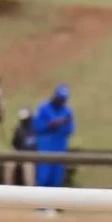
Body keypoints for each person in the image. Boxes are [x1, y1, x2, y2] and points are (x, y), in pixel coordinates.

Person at [32, 84, 74, 213]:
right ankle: (40, 204)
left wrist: (61, 124)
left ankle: (55, 204)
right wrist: (50, 125)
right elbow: (36, 126)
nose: (62, 101)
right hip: (45, 147)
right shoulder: (43, 108)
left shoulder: (67, 111)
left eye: (64, 99)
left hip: (60, 148)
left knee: (56, 178)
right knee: (43, 176)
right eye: (60, 98)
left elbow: (70, 129)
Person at [5, 108, 37, 187]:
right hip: (19, 156)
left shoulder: (35, 130)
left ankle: (30, 188)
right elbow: (14, 145)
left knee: (28, 166)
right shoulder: (18, 130)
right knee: (9, 164)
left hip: (31, 157)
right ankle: (7, 187)